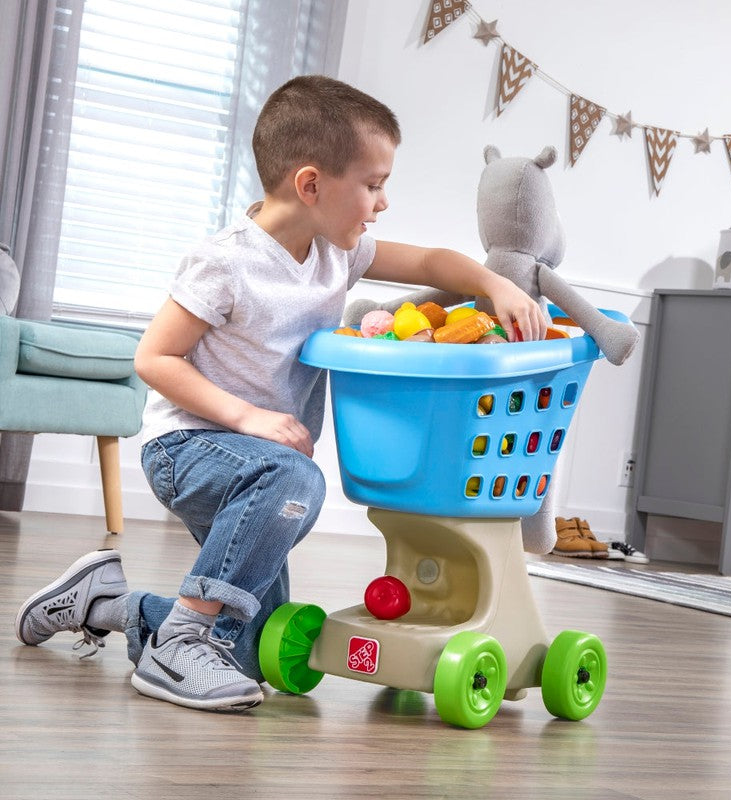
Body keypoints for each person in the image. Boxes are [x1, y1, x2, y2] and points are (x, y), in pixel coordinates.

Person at [14, 75, 547, 712]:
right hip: (191, 446)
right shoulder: (227, 262)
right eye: (373, 185)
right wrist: (246, 415)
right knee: (298, 482)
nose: (382, 204)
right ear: (311, 184)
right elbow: (154, 357)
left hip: (262, 466)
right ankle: (177, 643)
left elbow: (432, 262)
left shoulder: (335, 252)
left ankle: (102, 601)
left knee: (251, 645)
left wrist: (496, 285)